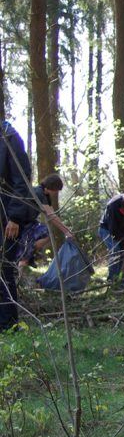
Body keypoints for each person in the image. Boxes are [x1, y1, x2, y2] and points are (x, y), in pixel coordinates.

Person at [0, 120, 33, 330]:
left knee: (4, 268)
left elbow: (22, 181)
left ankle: (8, 323)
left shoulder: (9, 137)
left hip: (6, 216)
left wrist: (14, 217)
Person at [16, 174, 74, 279]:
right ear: (52, 187)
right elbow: (51, 216)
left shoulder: (46, 196)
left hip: (30, 223)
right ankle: (22, 274)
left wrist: (66, 229)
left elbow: (52, 214)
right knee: (24, 252)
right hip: (21, 224)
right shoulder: (38, 193)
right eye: (56, 190)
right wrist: (66, 231)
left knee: (47, 232)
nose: (56, 193)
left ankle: (30, 254)